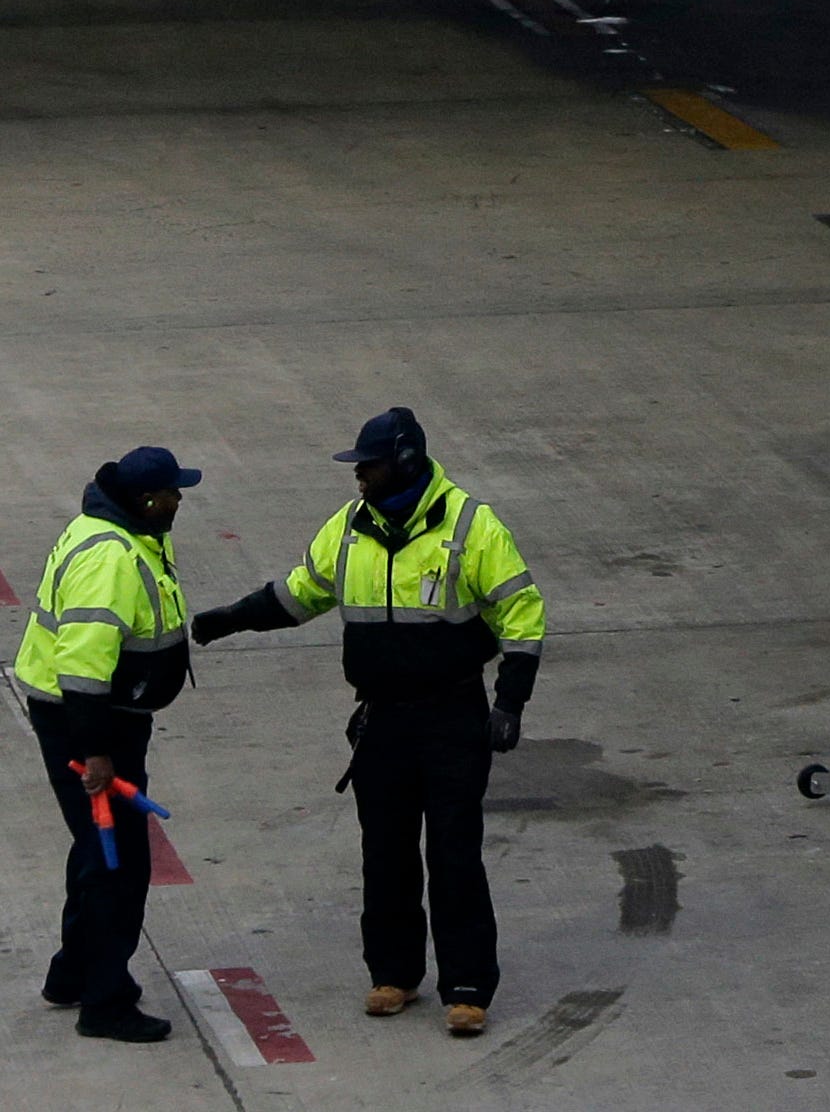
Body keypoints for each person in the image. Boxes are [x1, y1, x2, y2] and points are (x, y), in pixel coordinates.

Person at [190, 407, 543, 1036]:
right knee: (385, 853)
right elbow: (301, 592)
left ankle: (467, 988)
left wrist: (510, 702)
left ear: (404, 462)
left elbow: (521, 615)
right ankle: (394, 974)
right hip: (382, 721)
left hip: (452, 718)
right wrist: (230, 618)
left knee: (455, 854)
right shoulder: (351, 526)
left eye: (369, 466)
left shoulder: (471, 525)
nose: (359, 478)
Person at [13, 446, 199, 1044]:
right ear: (146, 499)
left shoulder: (124, 530)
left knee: (96, 850)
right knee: (118, 864)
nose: (179, 500)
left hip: (101, 718)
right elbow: (84, 666)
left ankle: (72, 973)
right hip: (87, 722)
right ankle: (105, 1000)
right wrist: (95, 751)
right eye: (173, 492)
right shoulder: (111, 558)